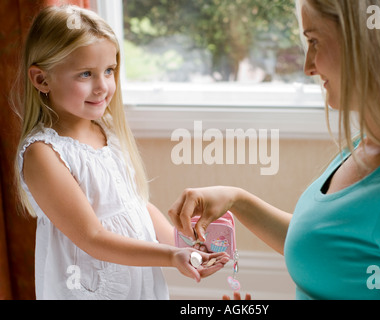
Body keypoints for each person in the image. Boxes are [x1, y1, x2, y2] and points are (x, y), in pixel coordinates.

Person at [169, 0, 380, 300]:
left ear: (371, 46)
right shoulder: (365, 146)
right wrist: (237, 199)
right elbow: (325, 244)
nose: (308, 67)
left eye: (315, 41)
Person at [13, 5, 228, 300]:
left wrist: (184, 246)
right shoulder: (44, 154)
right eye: (86, 73)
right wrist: (169, 256)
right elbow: (93, 238)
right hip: (89, 288)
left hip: (136, 280)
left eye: (109, 71)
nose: (102, 86)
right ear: (42, 80)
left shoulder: (106, 130)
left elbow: (136, 207)